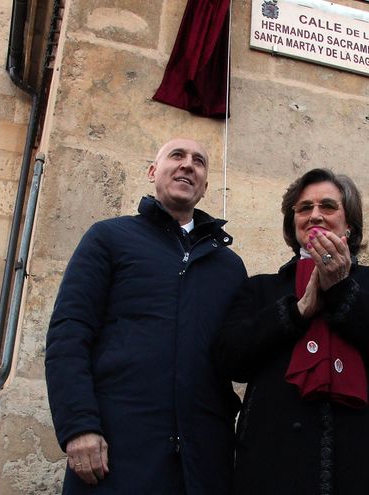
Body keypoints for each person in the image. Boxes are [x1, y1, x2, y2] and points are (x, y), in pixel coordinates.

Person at [45, 138, 247, 493]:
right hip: (117, 452)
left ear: (204, 188)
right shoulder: (109, 237)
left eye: (198, 161)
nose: (188, 165)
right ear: (154, 172)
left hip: (201, 465)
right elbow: (69, 332)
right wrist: (79, 425)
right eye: (177, 156)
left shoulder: (229, 267)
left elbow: (238, 354)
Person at [213, 168, 369, 495]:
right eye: (304, 208)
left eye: (327, 206)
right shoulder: (260, 288)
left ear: (349, 223)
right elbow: (229, 357)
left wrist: (343, 291)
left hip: (367, 457)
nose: (315, 215)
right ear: (292, 222)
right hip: (274, 459)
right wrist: (296, 311)